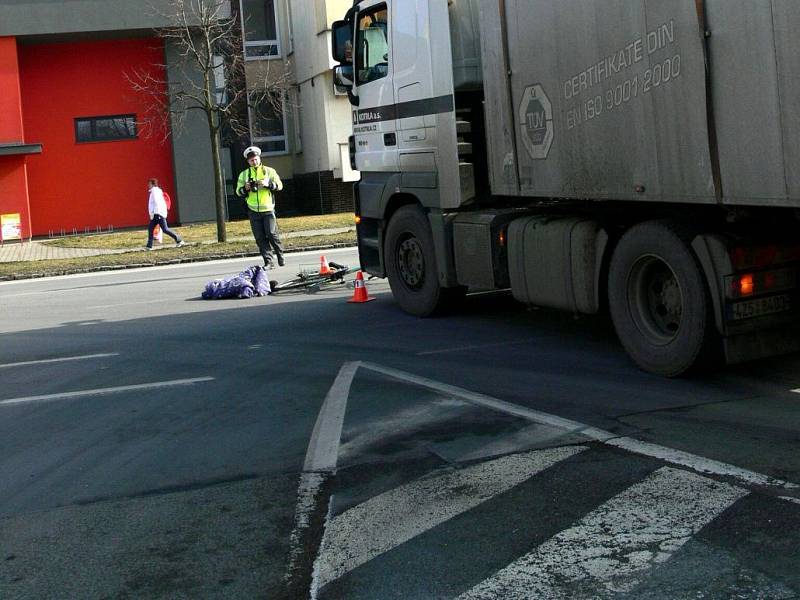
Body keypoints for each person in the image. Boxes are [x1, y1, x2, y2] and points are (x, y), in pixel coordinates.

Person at [236, 145, 285, 268]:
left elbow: (279, 186)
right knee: (260, 238)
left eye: (256, 159)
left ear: (259, 158)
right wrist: (245, 188)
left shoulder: (269, 171)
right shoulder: (244, 175)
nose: (254, 161)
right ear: (248, 161)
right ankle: (268, 261)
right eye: (251, 160)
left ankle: (280, 254)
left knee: (271, 234)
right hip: (253, 210)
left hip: (268, 208)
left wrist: (267, 184)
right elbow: (238, 191)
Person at [145, 178, 184, 250]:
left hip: (158, 214)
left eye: (149, 183)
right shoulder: (155, 191)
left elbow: (157, 202)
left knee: (165, 229)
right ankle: (149, 246)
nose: (148, 185)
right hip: (156, 214)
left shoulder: (155, 191)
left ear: (153, 184)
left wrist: (154, 212)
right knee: (150, 228)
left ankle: (179, 240)